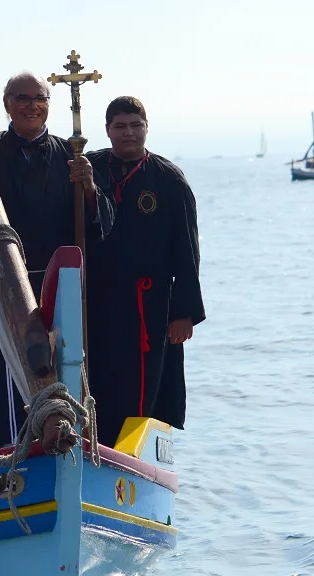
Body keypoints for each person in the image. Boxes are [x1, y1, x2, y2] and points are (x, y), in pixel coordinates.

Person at [0, 71, 113, 451]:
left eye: (39, 98)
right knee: (1, 376)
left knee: (66, 367)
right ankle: (10, 452)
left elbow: (103, 225)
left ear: (48, 105)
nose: (32, 105)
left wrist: (91, 189)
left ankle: (68, 439)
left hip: (58, 288)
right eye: (22, 97)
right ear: (7, 104)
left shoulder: (72, 157)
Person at [86, 96, 205, 446]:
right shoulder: (88, 169)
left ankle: (134, 455)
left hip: (147, 306)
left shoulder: (168, 180)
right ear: (107, 130)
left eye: (136, 125)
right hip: (97, 302)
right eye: (120, 126)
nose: (129, 133)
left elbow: (187, 249)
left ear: (146, 128)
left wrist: (183, 313)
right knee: (97, 379)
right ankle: (94, 446)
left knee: (143, 386)